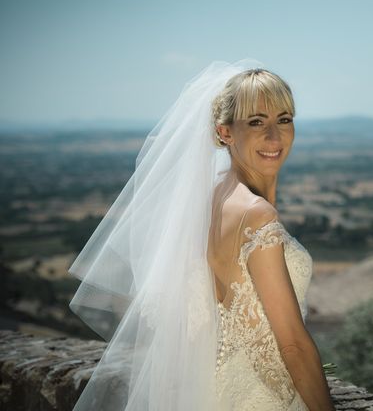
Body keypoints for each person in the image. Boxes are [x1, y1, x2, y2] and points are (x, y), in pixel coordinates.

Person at [68, 59, 335, 410]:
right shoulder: (256, 214)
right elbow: (292, 345)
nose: (275, 136)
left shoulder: (210, 198)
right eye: (256, 122)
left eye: (283, 119)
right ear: (225, 132)